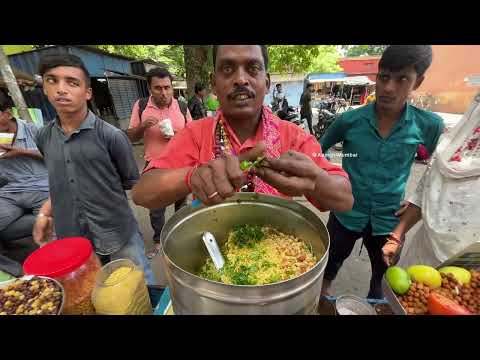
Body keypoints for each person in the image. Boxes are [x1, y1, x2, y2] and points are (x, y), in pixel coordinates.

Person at [131, 45, 353, 218]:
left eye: (253, 68)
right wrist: (193, 176)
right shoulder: (196, 134)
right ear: (214, 84)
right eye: (227, 69)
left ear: (266, 83)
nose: (240, 79)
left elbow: (345, 199)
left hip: (280, 260)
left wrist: (316, 181)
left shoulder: (294, 137)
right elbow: (142, 193)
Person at [320, 45, 445, 299]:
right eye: (384, 77)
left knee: (383, 286)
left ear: (417, 82)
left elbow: (437, 173)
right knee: (325, 273)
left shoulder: (429, 125)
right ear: (376, 77)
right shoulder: (349, 121)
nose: (389, 88)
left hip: (389, 222)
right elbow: (316, 151)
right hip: (345, 215)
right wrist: (330, 182)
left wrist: (412, 203)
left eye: (402, 79)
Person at [32, 54, 155, 285]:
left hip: (117, 230)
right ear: (45, 89)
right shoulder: (43, 137)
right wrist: (45, 213)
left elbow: (132, 183)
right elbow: (62, 181)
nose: (61, 89)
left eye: (72, 82)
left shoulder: (112, 137)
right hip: (73, 237)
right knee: (91, 292)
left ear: (87, 92)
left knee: (139, 287)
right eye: (52, 80)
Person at [382, 93, 480, 272]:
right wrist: (396, 237)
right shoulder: (453, 146)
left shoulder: (428, 123)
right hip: (426, 253)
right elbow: (426, 190)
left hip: (471, 267)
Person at [127, 67, 192, 259]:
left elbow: (193, 133)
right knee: (156, 208)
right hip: (154, 166)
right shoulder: (141, 106)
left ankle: (180, 237)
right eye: (158, 88)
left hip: (180, 165)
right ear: (149, 88)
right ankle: (158, 241)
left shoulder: (181, 106)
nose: (163, 93)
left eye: (167, 88)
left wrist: (180, 135)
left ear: (172, 88)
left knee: (181, 204)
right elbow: (130, 136)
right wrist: (142, 127)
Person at [0, 92, 48, 268]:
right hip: (9, 192)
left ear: (8, 113)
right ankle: (15, 274)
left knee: (50, 229)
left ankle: (53, 267)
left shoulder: (34, 130)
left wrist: (21, 151)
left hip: (42, 188)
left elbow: (57, 156)